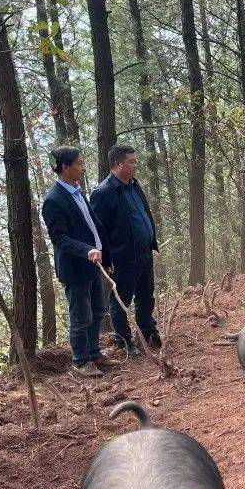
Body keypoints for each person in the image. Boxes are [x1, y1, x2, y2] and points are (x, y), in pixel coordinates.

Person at [40, 146, 118, 378]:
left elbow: (93, 226)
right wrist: (87, 250)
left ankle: (94, 354)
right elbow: (60, 239)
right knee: (81, 317)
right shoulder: (53, 200)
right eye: (80, 164)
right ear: (65, 167)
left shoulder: (77, 191)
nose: (83, 168)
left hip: (93, 264)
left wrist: (106, 257)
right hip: (75, 268)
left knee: (97, 311)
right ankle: (81, 362)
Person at [90, 144, 161, 355]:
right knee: (121, 300)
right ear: (118, 163)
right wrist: (107, 259)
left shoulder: (134, 185)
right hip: (123, 258)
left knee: (146, 295)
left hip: (144, 252)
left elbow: (143, 213)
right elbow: (98, 230)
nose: (135, 165)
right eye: (131, 161)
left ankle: (148, 331)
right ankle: (124, 341)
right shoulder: (103, 192)